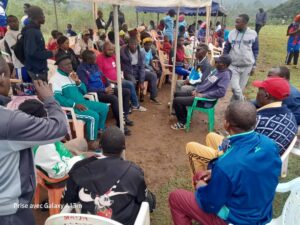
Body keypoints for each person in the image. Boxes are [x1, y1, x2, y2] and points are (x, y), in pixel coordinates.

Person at [169, 101, 282, 225]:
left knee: (176, 197)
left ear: (226, 124)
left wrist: (201, 186)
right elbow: (251, 170)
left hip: (237, 219)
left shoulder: (226, 164)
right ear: (255, 122)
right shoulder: (269, 144)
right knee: (200, 175)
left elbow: (210, 205)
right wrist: (215, 173)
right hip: (261, 210)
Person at [0, 58, 68, 224]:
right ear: (2, 77)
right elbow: (59, 127)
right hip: (10, 212)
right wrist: (49, 99)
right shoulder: (8, 121)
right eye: (9, 76)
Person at [187, 77, 297, 174]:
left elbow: (236, 146)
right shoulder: (289, 115)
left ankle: (203, 188)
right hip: (261, 158)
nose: (257, 93)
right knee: (211, 136)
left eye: (259, 90)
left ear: (266, 96)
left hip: (247, 165)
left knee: (191, 147)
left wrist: (225, 145)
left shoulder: (258, 120)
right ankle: (214, 173)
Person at [63, 126, 150, 225]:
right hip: (123, 222)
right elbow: (142, 199)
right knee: (147, 200)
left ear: (100, 145)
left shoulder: (78, 168)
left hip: (89, 222)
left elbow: (69, 199)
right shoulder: (134, 172)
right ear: (124, 147)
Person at [49, 55, 109, 150]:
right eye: (67, 65)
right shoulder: (55, 79)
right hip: (71, 109)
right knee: (94, 116)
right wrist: (74, 104)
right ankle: (91, 142)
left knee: (104, 107)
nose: (70, 66)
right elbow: (58, 98)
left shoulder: (71, 75)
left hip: (82, 102)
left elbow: (84, 91)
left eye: (70, 63)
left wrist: (77, 82)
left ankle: (99, 130)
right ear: (60, 66)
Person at [18, 99, 85, 179]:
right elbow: (59, 172)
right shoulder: (43, 144)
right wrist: (82, 157)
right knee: (91, 157)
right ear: (43, 119)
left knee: (82, 142)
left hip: (58, 154)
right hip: (65, 170)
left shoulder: (24, 133)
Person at [77, 50, 133, 136]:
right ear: (88, 60)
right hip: (95, 93)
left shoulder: (94, 65)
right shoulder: (81, 70)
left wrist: (108, 86)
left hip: (104, 89)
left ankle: (124, 117)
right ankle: (121, 123)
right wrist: (103, 90)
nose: (96, 59)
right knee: (114, 98)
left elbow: (103, 76)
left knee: (126, 92)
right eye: (94, 58)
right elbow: (87, 88)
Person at [171, 55, 232, 130]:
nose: (216, 63)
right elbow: (206, 83)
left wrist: (203, 95)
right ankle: (186, 117)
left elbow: (221, 92)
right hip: (199, 94)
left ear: (224, 65)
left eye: (218, 62)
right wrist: (196, 90)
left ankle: (183, 122)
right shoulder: (217, 71)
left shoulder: (225, 75)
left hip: (204, 100)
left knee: (177, 101)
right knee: (176, 94)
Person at [97, 41, 146, 112]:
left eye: (112, 49)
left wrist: (120, 76)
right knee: (123, 90)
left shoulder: (113, 56)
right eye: (109, 50)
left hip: (117, 80)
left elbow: (118, 68)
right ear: (104, 49)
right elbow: (101, 75)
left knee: (130, 84)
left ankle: (135, 105)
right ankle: (124, 108)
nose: (111, 51)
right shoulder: (99, 58)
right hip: (108, 83)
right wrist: (113, 81)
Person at [223, 14, 259, 101]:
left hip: (247, 66)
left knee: (239, 90)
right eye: (235, 22)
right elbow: (226, 48)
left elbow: (255, 50)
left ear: (245, 23)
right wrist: (224, 62)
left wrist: (254, 66)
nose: (235, 24)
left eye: (237, 22)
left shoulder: (253, 34)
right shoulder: (231, 33)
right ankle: (243, 104)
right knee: (235, 88)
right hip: (233, 66)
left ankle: (233, 107)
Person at [121, 37, 160, 104]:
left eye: (135, 44)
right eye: (132, 44)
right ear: (128, 44)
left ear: (137, 44)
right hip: (128, 72)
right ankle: (133, 101)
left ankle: (153, 97)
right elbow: (122, 61)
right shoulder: (124, 52)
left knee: (153, 75)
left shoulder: (140, 53)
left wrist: (141, 82)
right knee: (133, 82)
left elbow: (142, 68)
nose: (134, 46)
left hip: (138, 71)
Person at [23, 5, 56, 81]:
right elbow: (32, 53)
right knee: (41, 91)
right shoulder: (31, 32)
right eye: (42, 14)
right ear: (36, 16)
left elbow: (39, 49)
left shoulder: (36, 30)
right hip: (36, 70)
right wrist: (51, 53)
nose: (44, 16)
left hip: (40, 68)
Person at [2, 15, 30, 82]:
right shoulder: (8, 34)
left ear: (18, 21)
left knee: (31, 85)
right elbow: (16, 48)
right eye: (10, 22)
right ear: (7, 24)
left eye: (14, 21)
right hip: (20, 65)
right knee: (23, 85)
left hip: (29, 64)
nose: (13, 23)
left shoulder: (22, 31)